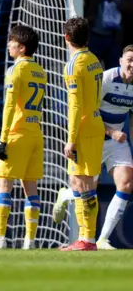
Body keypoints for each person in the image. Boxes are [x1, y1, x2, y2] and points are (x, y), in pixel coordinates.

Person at [53, 44, 133, 250]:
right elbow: (89, 112)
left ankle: (103, 239)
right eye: (130, 59)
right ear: (121, 61)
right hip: (94, 137)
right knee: (88, 189)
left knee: (126, 184)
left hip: (117, 142)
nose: (132, 65)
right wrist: (111, 131)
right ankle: (66, 195)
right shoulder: (106, 79)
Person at [0, 25, 46, 250]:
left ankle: (0, 238)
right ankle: (30, 241)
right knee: (31, 188)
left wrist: (3, 138)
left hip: (17, 134)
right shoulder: (40, 70)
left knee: (4, 183)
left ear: (21, 47)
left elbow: (10, 106)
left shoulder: (15, 70)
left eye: (12, 42)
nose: (8, 45)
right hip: (36, 133)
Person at [59, 16, 104, 252]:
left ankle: (88, 239)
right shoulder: (93, 59)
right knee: (77, 182)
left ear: (67, 37)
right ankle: (84, 239)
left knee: (85, 183)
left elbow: (75, 106)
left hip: (84, 128)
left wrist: (71, 139)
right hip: (95, 123)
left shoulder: (74, 64)